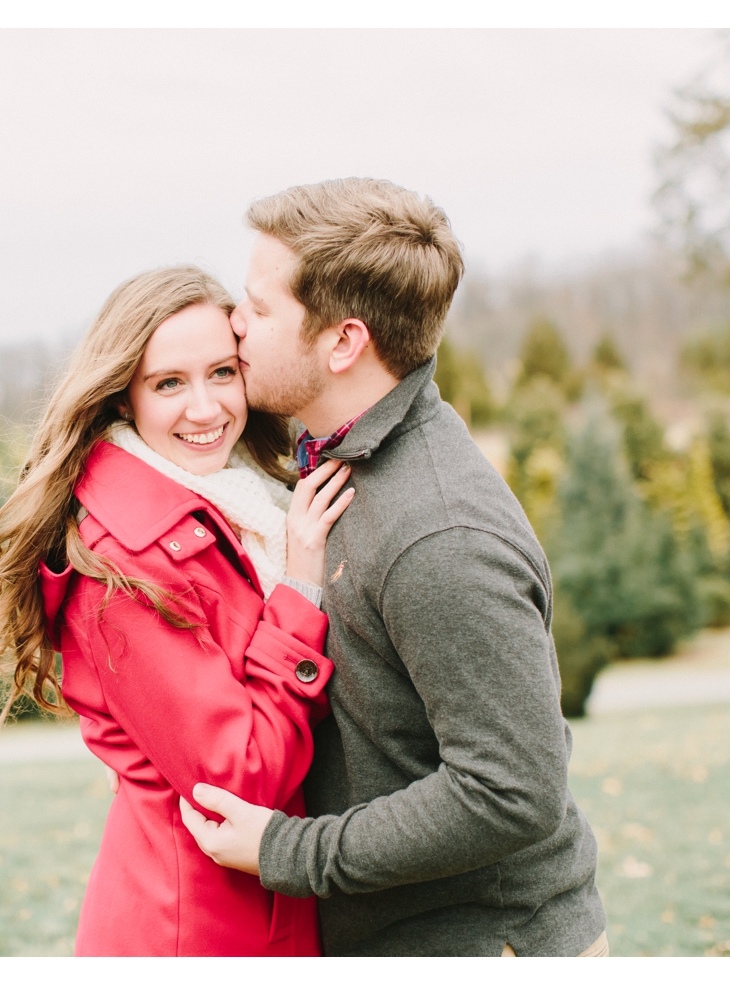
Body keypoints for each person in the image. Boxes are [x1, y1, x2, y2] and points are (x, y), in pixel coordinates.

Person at [178, 178, 609, 957]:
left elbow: (513, 791)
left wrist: (288, 850)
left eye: (260, 307)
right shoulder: (338, 466)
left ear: (342, 342)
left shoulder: (438, 531)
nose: (235, 326)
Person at [0, 265, 355, 956]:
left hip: (256, 911)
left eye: (222, 373)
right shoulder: (123, 564)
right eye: (169, 383)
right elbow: (240, 779)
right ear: (122, 398)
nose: (205, 408)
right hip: (192, 928)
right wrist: (300, 591)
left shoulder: (238, 505)